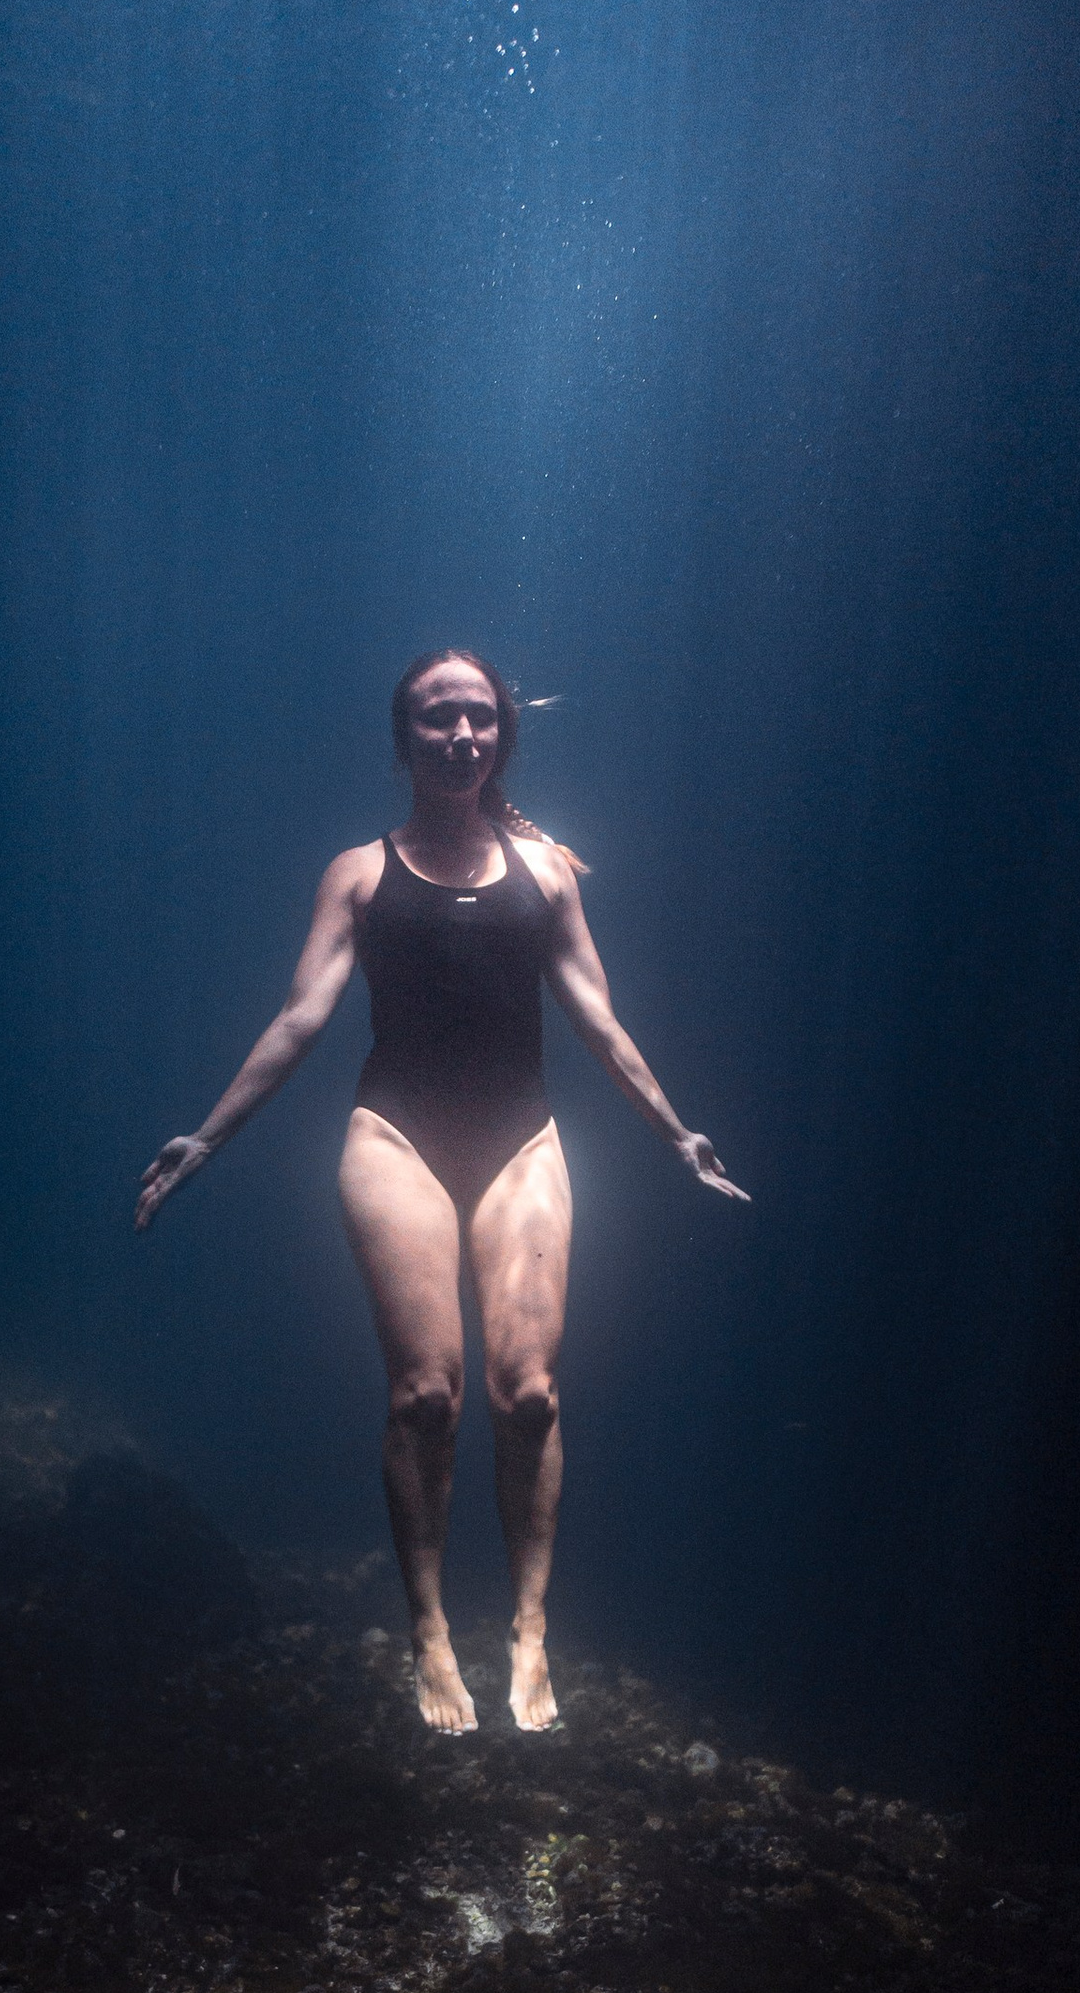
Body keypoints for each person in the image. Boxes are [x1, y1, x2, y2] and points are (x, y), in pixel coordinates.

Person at [135, 650, 747, 1734]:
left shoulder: (546, 871)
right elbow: (299, 1019)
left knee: (531, 1396)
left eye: (478, 719)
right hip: (395, 1138)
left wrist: (675, 1134)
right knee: (427, 1395)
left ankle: (525, 1630)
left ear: (501, 737)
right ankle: (427, 1631)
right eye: (438, 719)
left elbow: (598, 1021)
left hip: (521, 1141)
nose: (461, 735)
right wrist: (205, 1139)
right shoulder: (359, 875)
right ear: (403, 740)